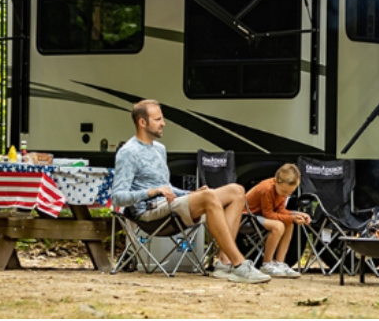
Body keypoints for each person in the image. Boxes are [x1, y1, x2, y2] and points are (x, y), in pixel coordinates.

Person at [111, 99, 270, 284]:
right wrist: (151, 192)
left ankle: (224, 264)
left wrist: (191, 193)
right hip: (149, 212)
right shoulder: (128, 152)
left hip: (168, 205)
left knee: (237, 191)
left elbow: (167, 189)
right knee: (210, 196)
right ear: (142, 122)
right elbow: (117, 197)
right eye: (158, 119)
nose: (163, 123)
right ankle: (240, 264)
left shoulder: (159, 149)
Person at [245, 163, 312, 279]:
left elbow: (280, 209)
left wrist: (296, 214)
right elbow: (268, 214)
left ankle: (279, 263)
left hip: (260, 216)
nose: (285, 195)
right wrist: (291, 217)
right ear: (276, 181)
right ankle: (266, 264)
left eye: (289, 193)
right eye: (284, 191)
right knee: (278, 226)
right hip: (247, 216)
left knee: (289, 223)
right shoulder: (267, 189)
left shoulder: (281, 189)